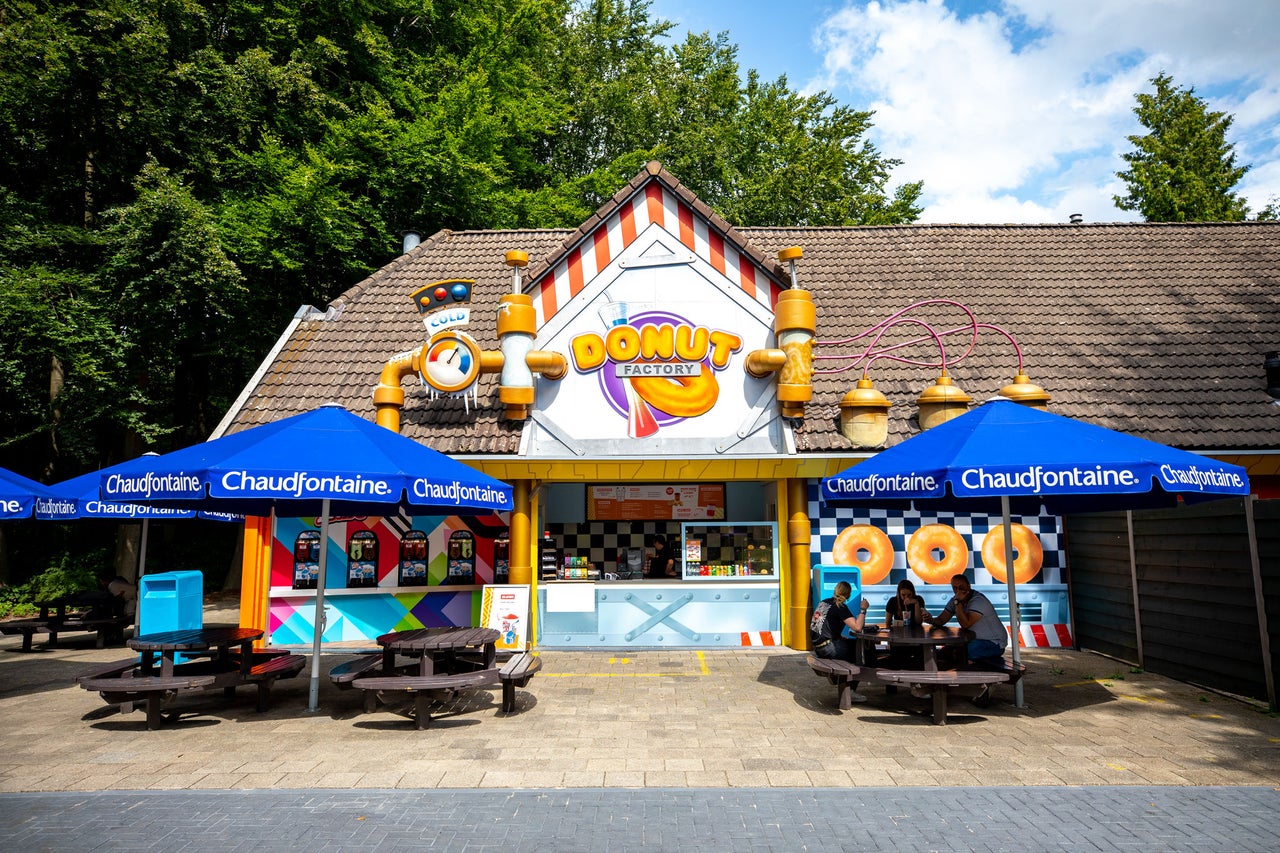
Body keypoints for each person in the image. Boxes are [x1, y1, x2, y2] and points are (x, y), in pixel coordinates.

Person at [924, 574, 1007, 668]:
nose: (958, 591)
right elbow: (942, 619)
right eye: (955, 588)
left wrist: (957, 602)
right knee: (945, 652)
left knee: (961, 653)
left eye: (961, 587)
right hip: (974, 640)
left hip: (994, 643)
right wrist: (930, 620)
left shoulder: (978, 601)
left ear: (969, 586)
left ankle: (965, 674)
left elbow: (965, 624)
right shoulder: (956, 600)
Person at [810, 580, 871, 703]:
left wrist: (839, 637)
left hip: (818, 646)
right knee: (861, 652)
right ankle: (850, 690)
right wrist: (863, 609)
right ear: (848, 595)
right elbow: (857, 628)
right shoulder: (840, 607)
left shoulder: (824, 603)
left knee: (853, 646)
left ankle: (838, 678)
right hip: (828, 648)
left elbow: (825, 626)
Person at [884, 579, 925, 671]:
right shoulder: (893, 601)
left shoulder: (918, 599)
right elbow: (887, 622)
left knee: (919, 656)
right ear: (899, 593)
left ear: (913, 593)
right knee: (897, 658)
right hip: (898, 639)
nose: (906, 597)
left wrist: (916, 603)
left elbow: (919, 621)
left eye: (909, 595)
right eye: (903, 595)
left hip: (916, 638)